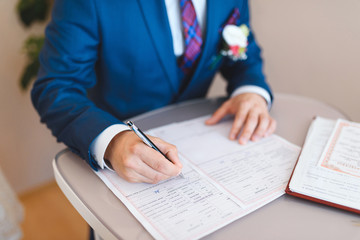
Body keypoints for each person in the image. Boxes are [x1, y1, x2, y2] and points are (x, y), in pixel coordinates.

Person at [31, 0, 276, 184]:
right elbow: (56, 87)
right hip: (119, 163)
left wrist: (251, 91)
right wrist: (113, 142)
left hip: (203, 154)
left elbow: (245, 58)